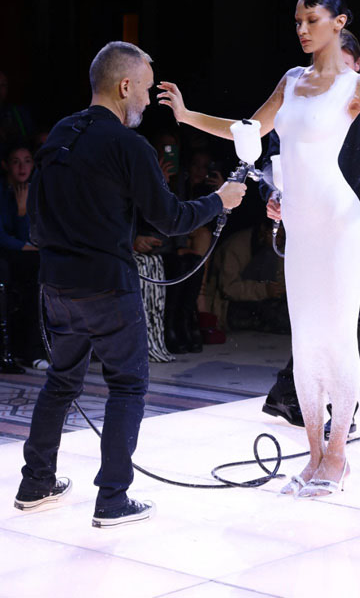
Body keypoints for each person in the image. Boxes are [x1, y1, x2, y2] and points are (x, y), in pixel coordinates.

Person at [157, 0, 360, 498]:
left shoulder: (358, 87)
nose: (301, 29)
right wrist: (187, 116)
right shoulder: (291, 80)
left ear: (339, 23)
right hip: (300, 227)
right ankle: (314, 455)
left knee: (337, 338)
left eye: (312, 20)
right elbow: (248, 130)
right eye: (297, 20)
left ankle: (338, 456)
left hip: (341, 226)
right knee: (305, 341)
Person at [14, 41, 246, 527]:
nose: (145, 99)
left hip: (56, 287)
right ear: (124, 86)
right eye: (144, 88)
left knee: (61, 381)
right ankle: (113, 499)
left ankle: (36, 484)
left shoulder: (61, 133)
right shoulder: (128, 145)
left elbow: (35, 215)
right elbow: (171, 218)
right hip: (107, 289)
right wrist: (219, 201)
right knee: (127, 385)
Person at [259, 29, 360, 431]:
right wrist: (272, 194)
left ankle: (339, 416)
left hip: (343, 221)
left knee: (337, 320)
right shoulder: (299, 90)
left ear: (358, 66)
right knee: (311, 318)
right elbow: (274, 154)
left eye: (340, 64)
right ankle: (292, 393)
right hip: (303, 218)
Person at [0, 143, 46, 370]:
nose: (22, 167)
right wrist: (19, 212)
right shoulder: (2, 191)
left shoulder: (32, 189)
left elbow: (30, 234)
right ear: (5, 165)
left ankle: (36, 350)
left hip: (23, 256)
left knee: (41, 270)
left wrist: (22, 211)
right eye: (16, 162)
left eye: (27, 161)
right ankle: (26, 350)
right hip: (7, 255)